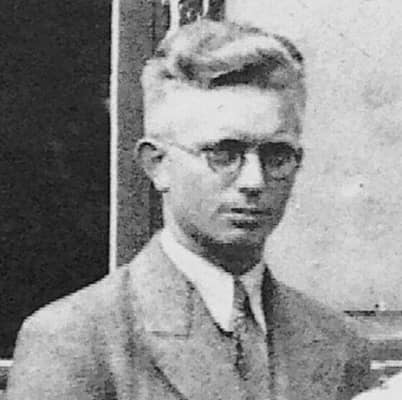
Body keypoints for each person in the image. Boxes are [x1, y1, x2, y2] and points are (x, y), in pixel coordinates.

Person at [6, 20, 371, 400]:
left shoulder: (337, 342)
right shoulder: (76, 340)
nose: (254, 181)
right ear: (157, 164)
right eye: (224, 154)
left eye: (277, 155)